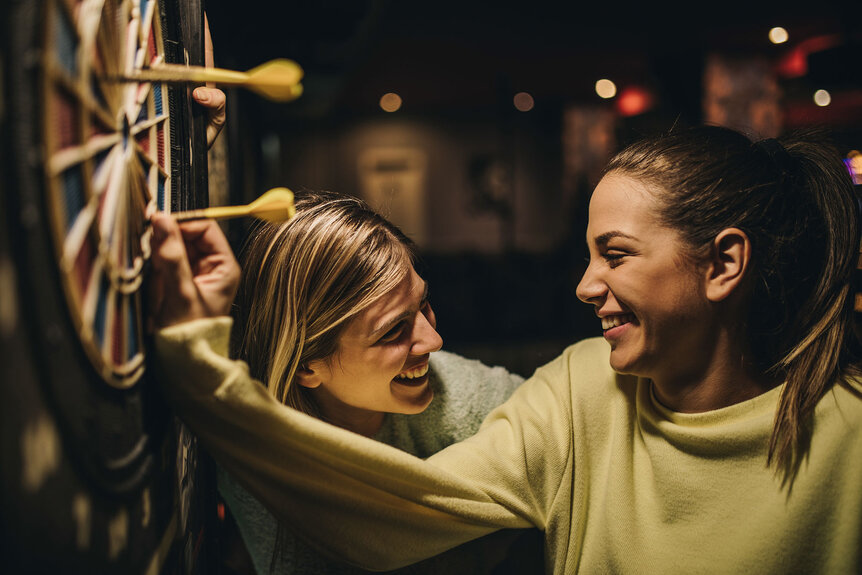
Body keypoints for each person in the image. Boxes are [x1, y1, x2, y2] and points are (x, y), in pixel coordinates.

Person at [151, 125, 862, 574]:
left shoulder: (848, 435)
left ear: (723, 264)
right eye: (589, 255)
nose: (586, 285)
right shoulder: (580, 392)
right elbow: (406, 505)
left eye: (614, 253)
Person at [152, 192, 540, 574]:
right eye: (392, 332)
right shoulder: (257, 456)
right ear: (306, 367)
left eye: (423, 304)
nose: (433, 342)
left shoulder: (475, 402)